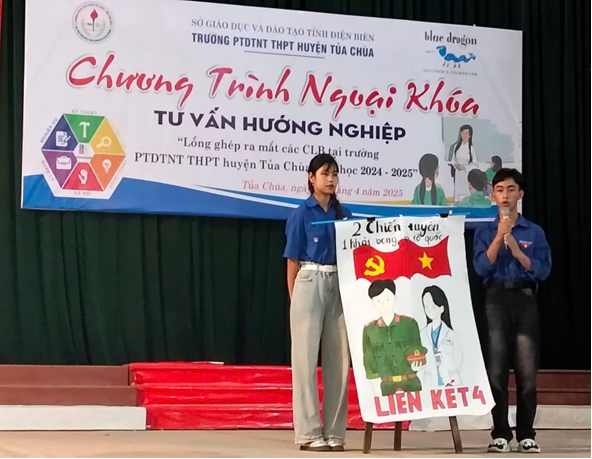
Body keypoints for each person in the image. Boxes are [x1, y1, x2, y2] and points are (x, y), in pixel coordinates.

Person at [473, 168, 552, 454]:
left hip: (525, 299)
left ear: (520, 194)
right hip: (495, 300)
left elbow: (543, 270)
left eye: (510, 189)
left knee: (526, 372)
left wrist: (518, 251)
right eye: (499, 190)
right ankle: (500, 434)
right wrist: (499, 238)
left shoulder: (534, 231)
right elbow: (481, 268)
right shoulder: (484, 231)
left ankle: (527, 434)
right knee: (496, 371)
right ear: (493, 196)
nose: (505, 195)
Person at [284, 153, 352, 452]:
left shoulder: (344, 214)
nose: (331, 179)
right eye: (325, 173)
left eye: (334, 173)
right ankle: (309, 432)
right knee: (305, 360)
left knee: (339, 360)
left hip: (339, 282)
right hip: (309, 280)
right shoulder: (301, 214)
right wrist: (295, 298)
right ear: (311, 178)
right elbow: (292, 260)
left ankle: (335, 431)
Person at [362, 279, 427, 397]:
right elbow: (369, 359)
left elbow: (417, 348)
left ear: (395, 299)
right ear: (373, 303)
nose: (383, 303)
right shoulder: (369, 330)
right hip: (387, 386)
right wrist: (375, 393)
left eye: (387, 299)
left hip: (411, 382)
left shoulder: (409, 324)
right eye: (378, 300)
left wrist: (418, 363)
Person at [418, 286, 463, 388]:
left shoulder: (450, 334)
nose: (429, 310)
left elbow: (458, 356)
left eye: (433, 306)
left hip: (450, 381)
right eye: (426, 306)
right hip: (430, 381)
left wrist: (453, 373)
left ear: (442, 308)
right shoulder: (423, 334)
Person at [446, 124, 479, 203]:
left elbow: (475, 165)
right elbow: (453, 159)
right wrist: (456, 165)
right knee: (457, 193)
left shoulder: (471, 149)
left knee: (466, 193)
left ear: (470, 135)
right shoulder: (456, 147)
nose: (464, 135)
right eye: (463, 133)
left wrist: (464, 167)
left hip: (467, 175)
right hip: (458, 174)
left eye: (466, 133)